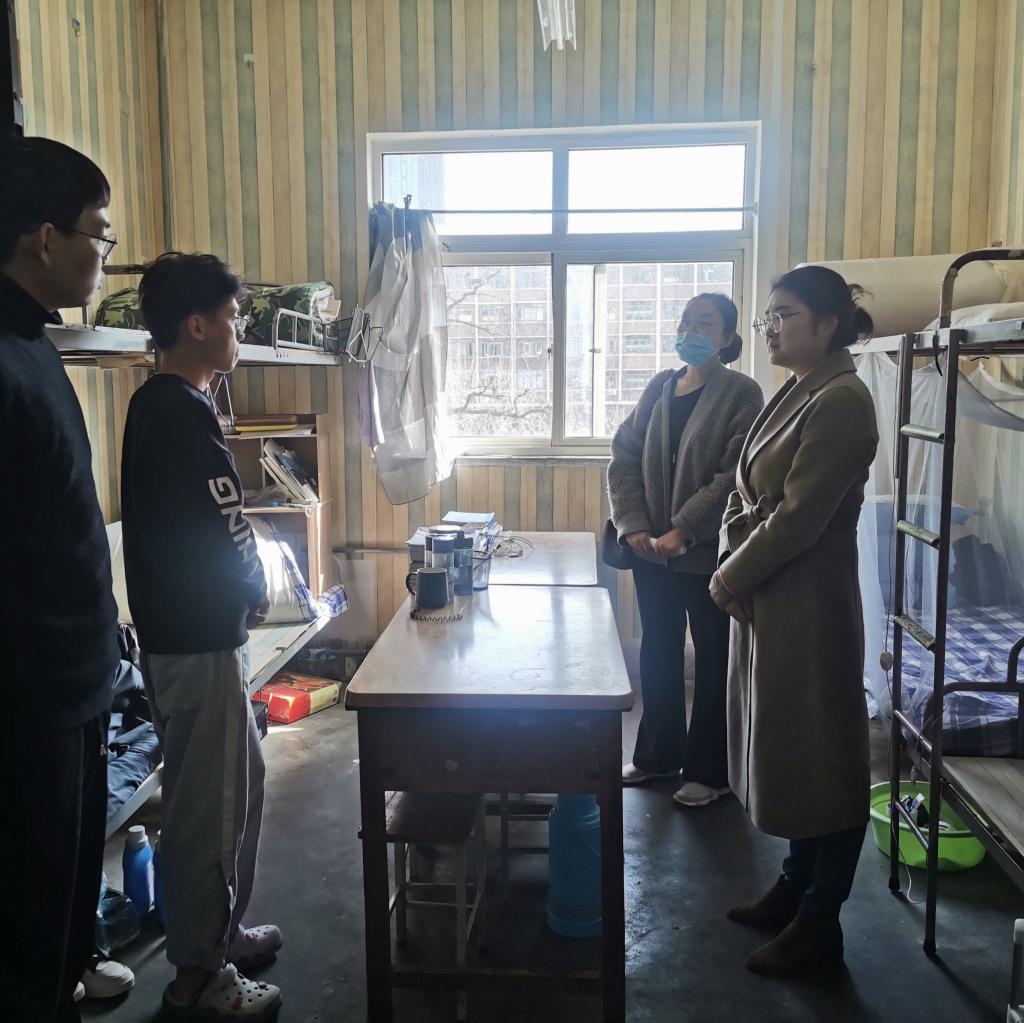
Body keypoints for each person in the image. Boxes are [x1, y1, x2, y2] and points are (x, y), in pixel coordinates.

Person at [121, 252, 279, 1020]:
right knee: (206, 810)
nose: (238, 330)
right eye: (231, 317)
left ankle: (220, 934)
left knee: (242, 785)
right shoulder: (182, 409)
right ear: (196, 325)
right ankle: (197, 978)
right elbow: (227, 520)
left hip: (185, 633)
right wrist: (256, 588)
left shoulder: (158, 403)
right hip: (198, 639)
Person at [711, 265, 879, 975]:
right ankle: (792, 885)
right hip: (768, 592)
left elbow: (798, 518)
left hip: (810, 600)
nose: (770, 329)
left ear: (828, 323)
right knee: (794, 749)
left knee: (826, 758)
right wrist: (730, 560)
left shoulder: (843, 401)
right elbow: (741, 489)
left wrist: (728, 576)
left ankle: (820, 920)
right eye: (768, 317)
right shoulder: (796, 388)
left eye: (783, 315)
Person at [0, 134, 123, 1023]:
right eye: (98, 234)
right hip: (29, 697)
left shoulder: (33, 341)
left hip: (79, 679)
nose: (103, 254)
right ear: (46, 238)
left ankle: (70, 975)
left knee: (68, 891)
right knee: (30, 908)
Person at [608, 293, 764, 807]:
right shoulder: (660, 386)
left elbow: (735, 473)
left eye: (704, 324)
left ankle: (711, 772)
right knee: (658, 652)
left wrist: (685, 528)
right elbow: (624, 454)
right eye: (685, 322)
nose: (691, 331)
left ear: (727, 337)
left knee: (715, 658)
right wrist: (633, 524)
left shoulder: (742, 392)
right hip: (651, 552)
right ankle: (657, 757)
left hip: (709, 556)